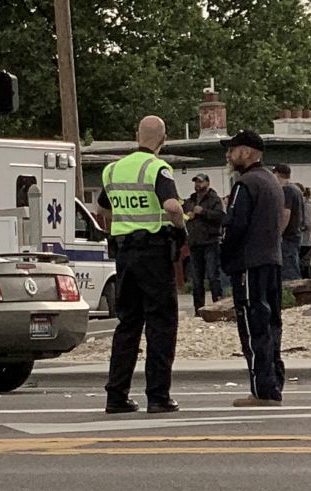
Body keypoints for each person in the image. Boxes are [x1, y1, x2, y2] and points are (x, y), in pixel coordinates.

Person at [98, 116, 186, 415]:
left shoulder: (112, 169)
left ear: (137, 135)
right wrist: (181, 226)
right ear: (164, 139)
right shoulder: (157, 168)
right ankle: (158, 396)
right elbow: (172, 206)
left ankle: (116, 395)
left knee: (128, 325)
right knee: (161, 324)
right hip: (153, 253)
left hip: (125, 255)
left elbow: (101, 207)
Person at [220, 130, 286, 407]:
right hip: (272, 261)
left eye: (233, 150)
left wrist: (224, 255)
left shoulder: (245, 184)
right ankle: (274, 383)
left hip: (249, 264)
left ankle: (261, 389)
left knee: (252, 325)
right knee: (272, 325)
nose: (229, 155)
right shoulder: (272, 182)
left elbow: (235, 226)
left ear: (247, 153)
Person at [181, 174, 227, 314]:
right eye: (196, 182)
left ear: (207, 182)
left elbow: (221, 217)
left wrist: (203, 212)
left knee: (213, 276)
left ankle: (218, 306)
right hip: (194, 243)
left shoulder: (215, 199)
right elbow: (181, 214)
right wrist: (187, 216)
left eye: (200, 182)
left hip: (211, 242)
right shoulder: (190, 201)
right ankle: (198, 309)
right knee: (196, 279)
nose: (197, 185)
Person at [274, 165, 304, 285]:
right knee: (293, 265)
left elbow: (286, 214)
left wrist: (279, 233)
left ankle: (293, 296)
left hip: (287, 237)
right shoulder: (297, 190)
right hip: (295, 234)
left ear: (276, 174)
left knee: (289, 272)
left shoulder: (286, 191)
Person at [298, 183, 311, 277]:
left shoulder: (306, 204)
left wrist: (299, 228)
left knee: (303, 267)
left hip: (305, 241)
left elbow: (308, 223)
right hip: (303, 241)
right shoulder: (303, 203)